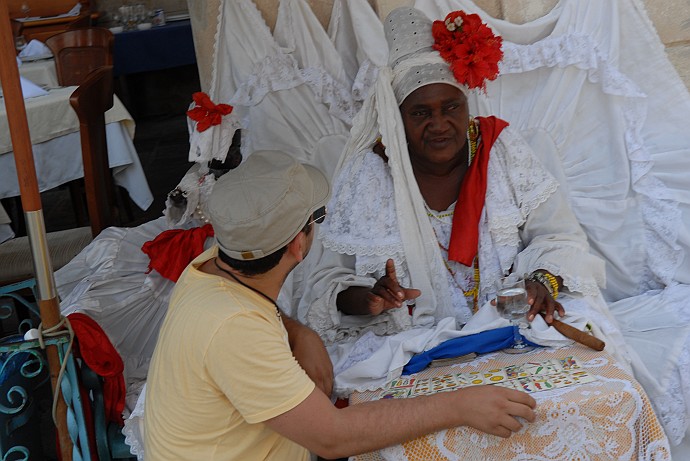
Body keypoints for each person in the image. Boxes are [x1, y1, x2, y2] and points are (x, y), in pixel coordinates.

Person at [143, 149, 537, 461]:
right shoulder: (235, 329)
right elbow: (333, 436)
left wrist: (301, 332)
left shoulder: (212, 266)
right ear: (300, 244)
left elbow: (249, 305)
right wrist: (461, 405)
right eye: (318, 218)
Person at [303, 6, 627, 365]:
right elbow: (324, 280)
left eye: (451, 107)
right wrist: (366, 299)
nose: (439, 124)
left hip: (513, 325)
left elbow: (560, 236)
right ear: (398, 119)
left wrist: (540, 281)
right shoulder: (368, 173)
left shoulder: (500, 148)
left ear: (466, 106)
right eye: (420, 113)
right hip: (409, 343)